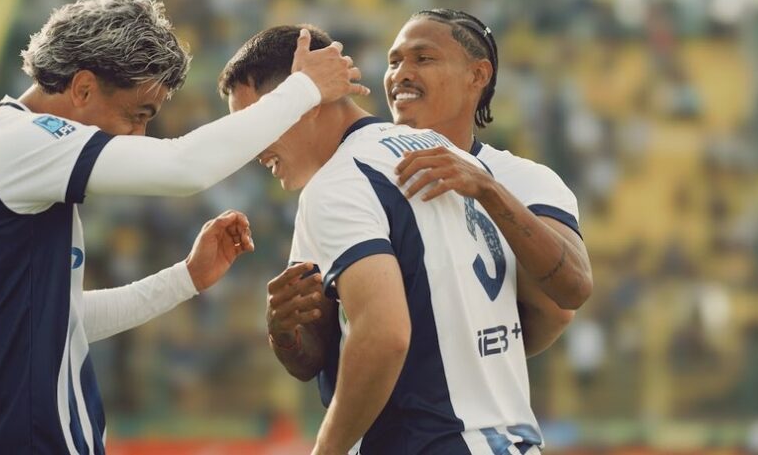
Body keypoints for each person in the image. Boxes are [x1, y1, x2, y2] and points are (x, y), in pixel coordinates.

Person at [0, 0, 367, 454]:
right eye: (136, 115)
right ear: (82, 88)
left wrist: (185, 279)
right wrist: (304, 89)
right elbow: (183, 167)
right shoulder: (20, 143)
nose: (138, 135)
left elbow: (60, 319)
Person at [219, 24, 592, 454]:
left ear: (303, 102)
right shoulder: (444, 154)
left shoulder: (339, 184)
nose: (252, 148)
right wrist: (285, 332)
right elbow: (340, 345)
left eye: (255, 124)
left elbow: (383, 334)